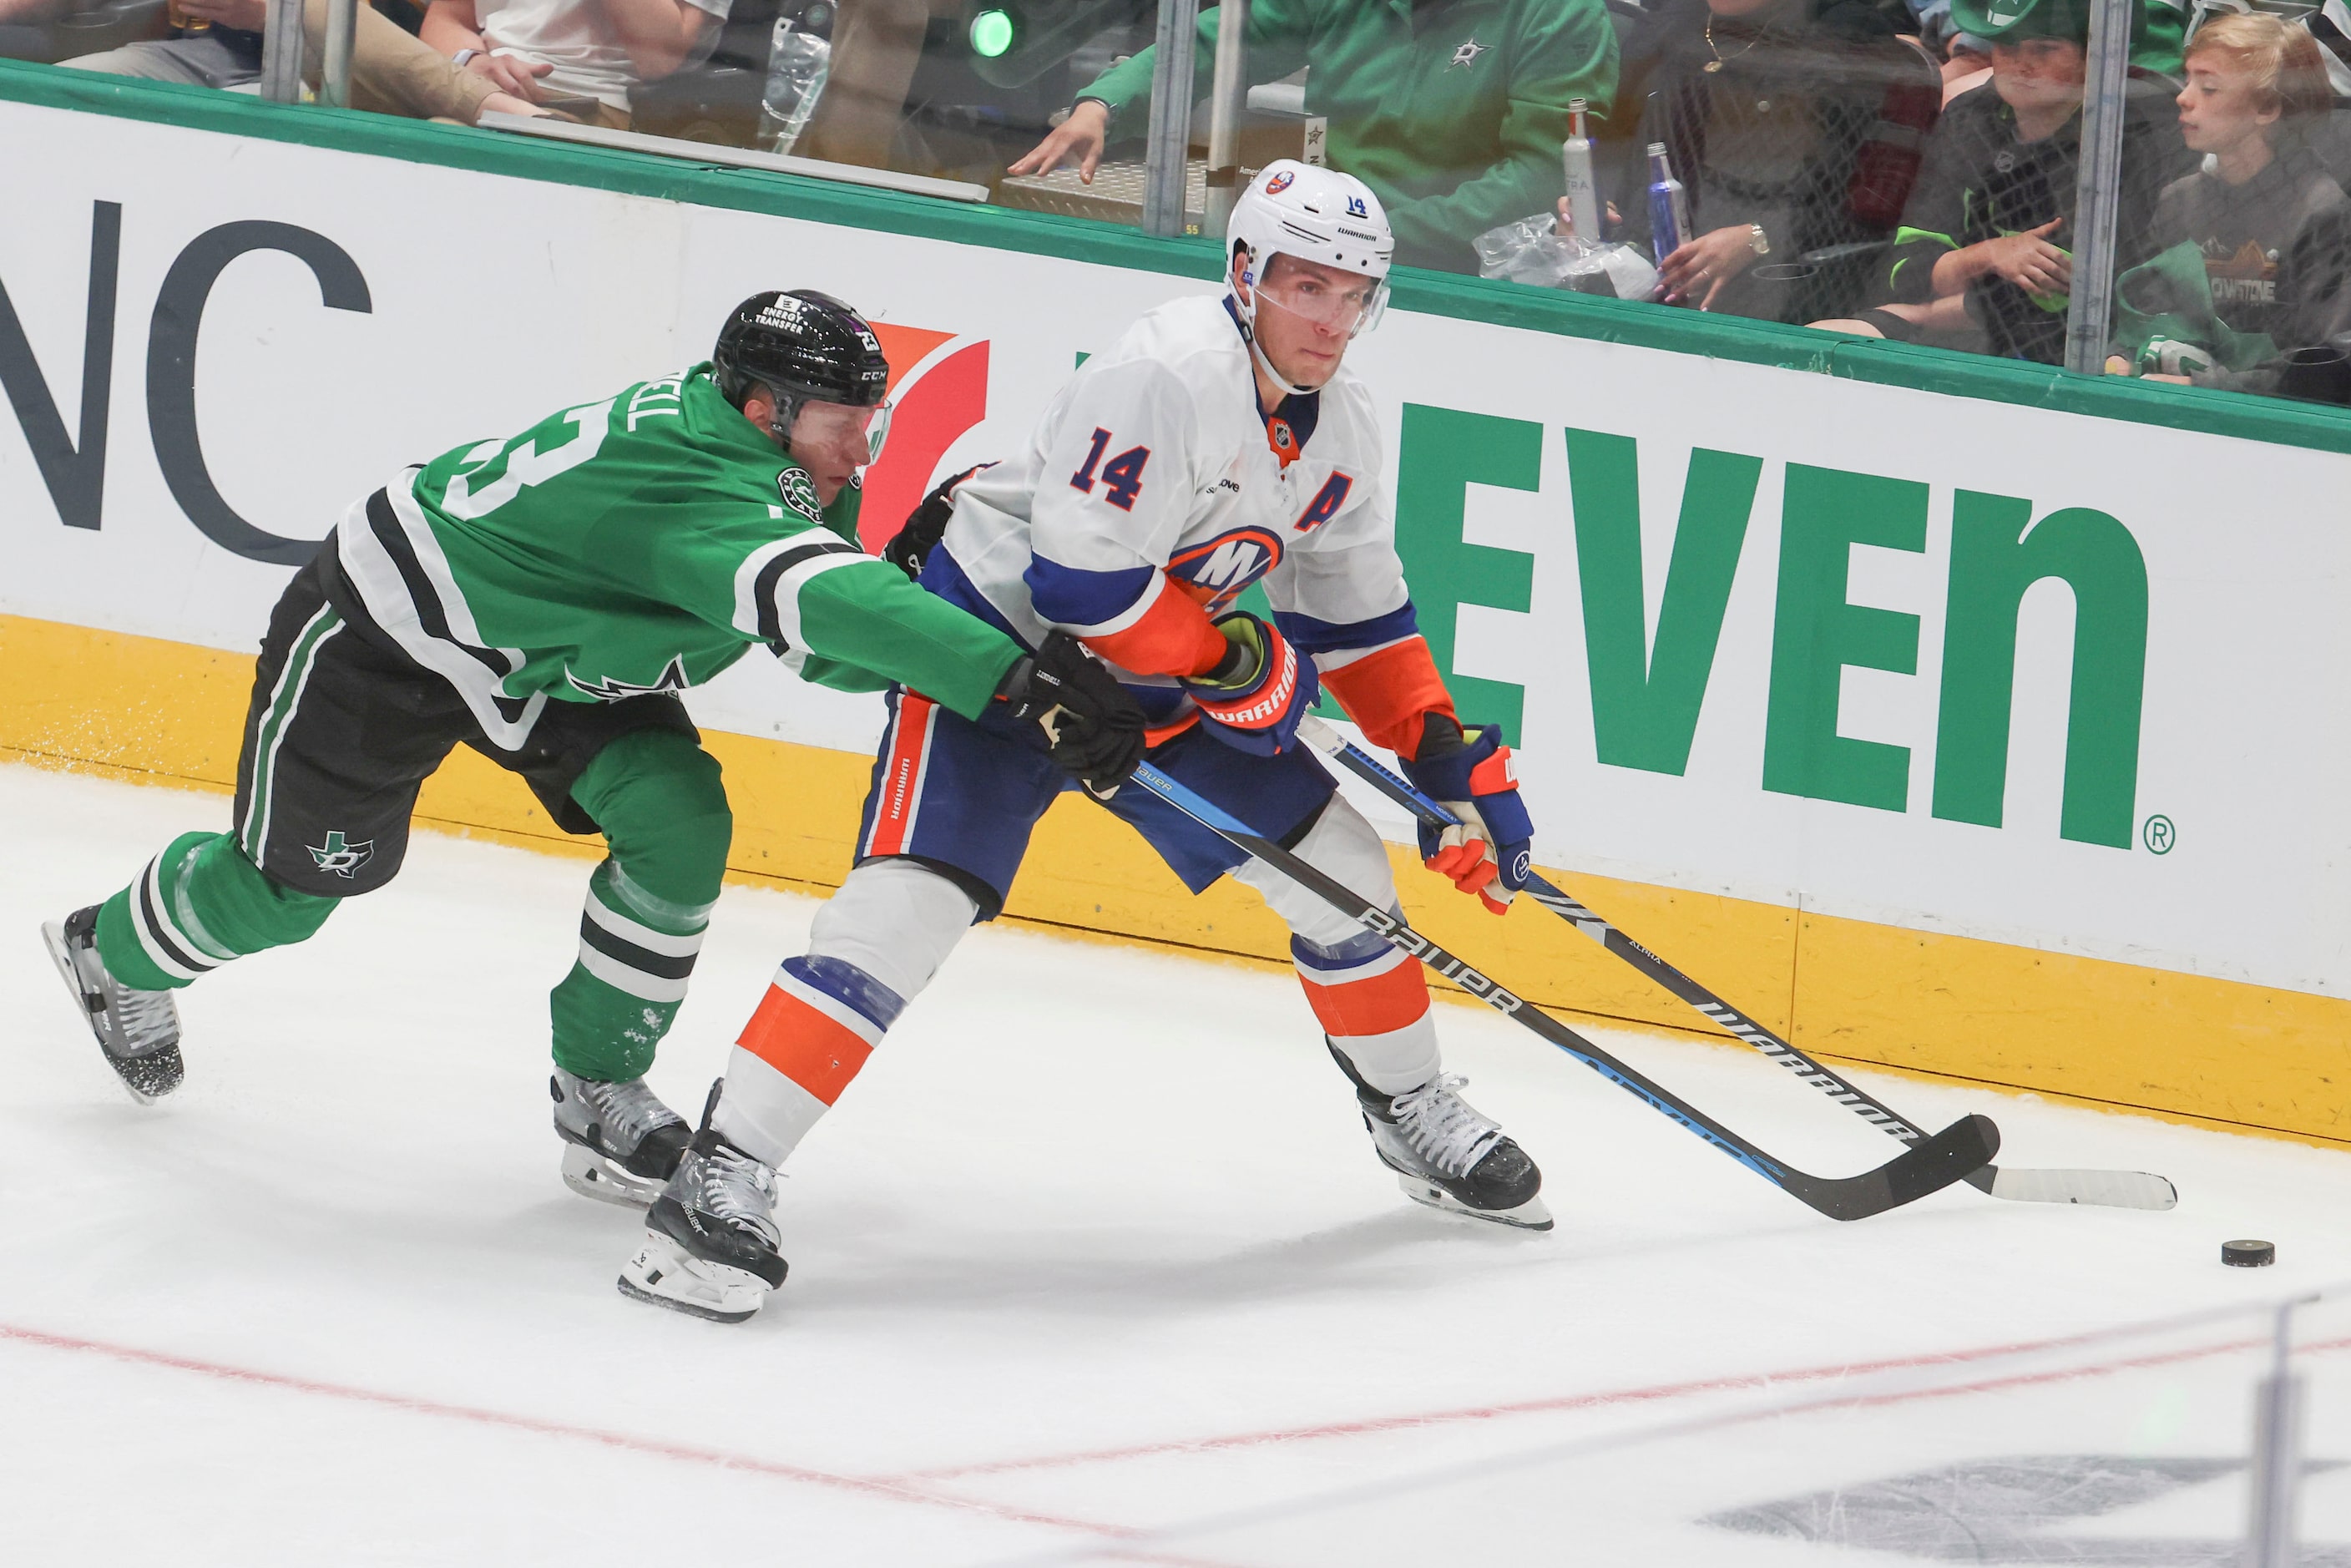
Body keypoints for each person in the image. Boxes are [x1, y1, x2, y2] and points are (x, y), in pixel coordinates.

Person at [619, 162, 1555, 1327]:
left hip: (1147, 665)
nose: (1331, 317)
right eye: (1306, 285)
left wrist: (1445, 755)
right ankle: (721, 1176)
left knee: (1351, 880)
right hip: (1001, 644)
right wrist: (1230, 667)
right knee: (905, 911)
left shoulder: (1343, 425)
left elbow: (1365, 621)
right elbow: (1081, 582)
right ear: (1247, 275)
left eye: (1355, 292)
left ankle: (1410, 1108)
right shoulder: (1168, 371)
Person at [41, 291, 1143, 1213]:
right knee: (291, 891)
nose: (862, 450)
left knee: (679, 819)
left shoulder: (784, 456)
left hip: (555, 654)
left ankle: (601, 1086)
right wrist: (1008, 678)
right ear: (764, 407)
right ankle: (114, 948)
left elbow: (823, 641)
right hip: (392, 631)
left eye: (872, 420)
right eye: (842, 425)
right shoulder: (692, 478)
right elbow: (814, 604)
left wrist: (937, 633)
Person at [1009, 0, 1620, 276]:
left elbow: (1537, 180)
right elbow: (1215, 41)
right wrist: (1102, 104)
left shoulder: (1562, 14)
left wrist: (1367, 239)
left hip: (1458, 276)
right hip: (1317, 255)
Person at [1811, 0, 2184, 360]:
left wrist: (1944, 288)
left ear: (2095, 55)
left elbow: (2071, 295)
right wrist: (1989, 255)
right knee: (1820, 341)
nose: (2021, 65)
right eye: (2007, 45)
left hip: (2078, 355)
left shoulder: (2138, 126)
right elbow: (1907, 272)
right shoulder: (1970, 115)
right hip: (1956, 333)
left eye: (2044, 49)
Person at [1600, 0, 1944, 323]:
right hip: (1669, 290)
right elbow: (1647, 176)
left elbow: (1868, 215)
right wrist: (1605, 223)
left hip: (1796, 296)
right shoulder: (1674, 30)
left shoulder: (1852, 49)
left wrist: (1758, 238)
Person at [2110, 13, 2351, 393]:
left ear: (2267, 108)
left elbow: (2321, 360)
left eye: (2208, 88)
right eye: (2188, 79)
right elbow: (2146, 314)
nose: (2182, 97)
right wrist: (2119, 357)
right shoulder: (2179, 201)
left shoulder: (2322, 210)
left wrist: (2212, 388)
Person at [59, 0, 551, 124]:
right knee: (65, 92)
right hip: (206, 50)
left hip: (334, 68)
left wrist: (272, 15)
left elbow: (405, 24)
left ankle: (533, 121)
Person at [418, 0, 724, 129]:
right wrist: (472, 60)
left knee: (439, 135)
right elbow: (447, 18)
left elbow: (659, 58)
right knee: (367, 29)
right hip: (465, 78)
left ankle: (510, 114)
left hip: (580, 104)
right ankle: (492, 106)